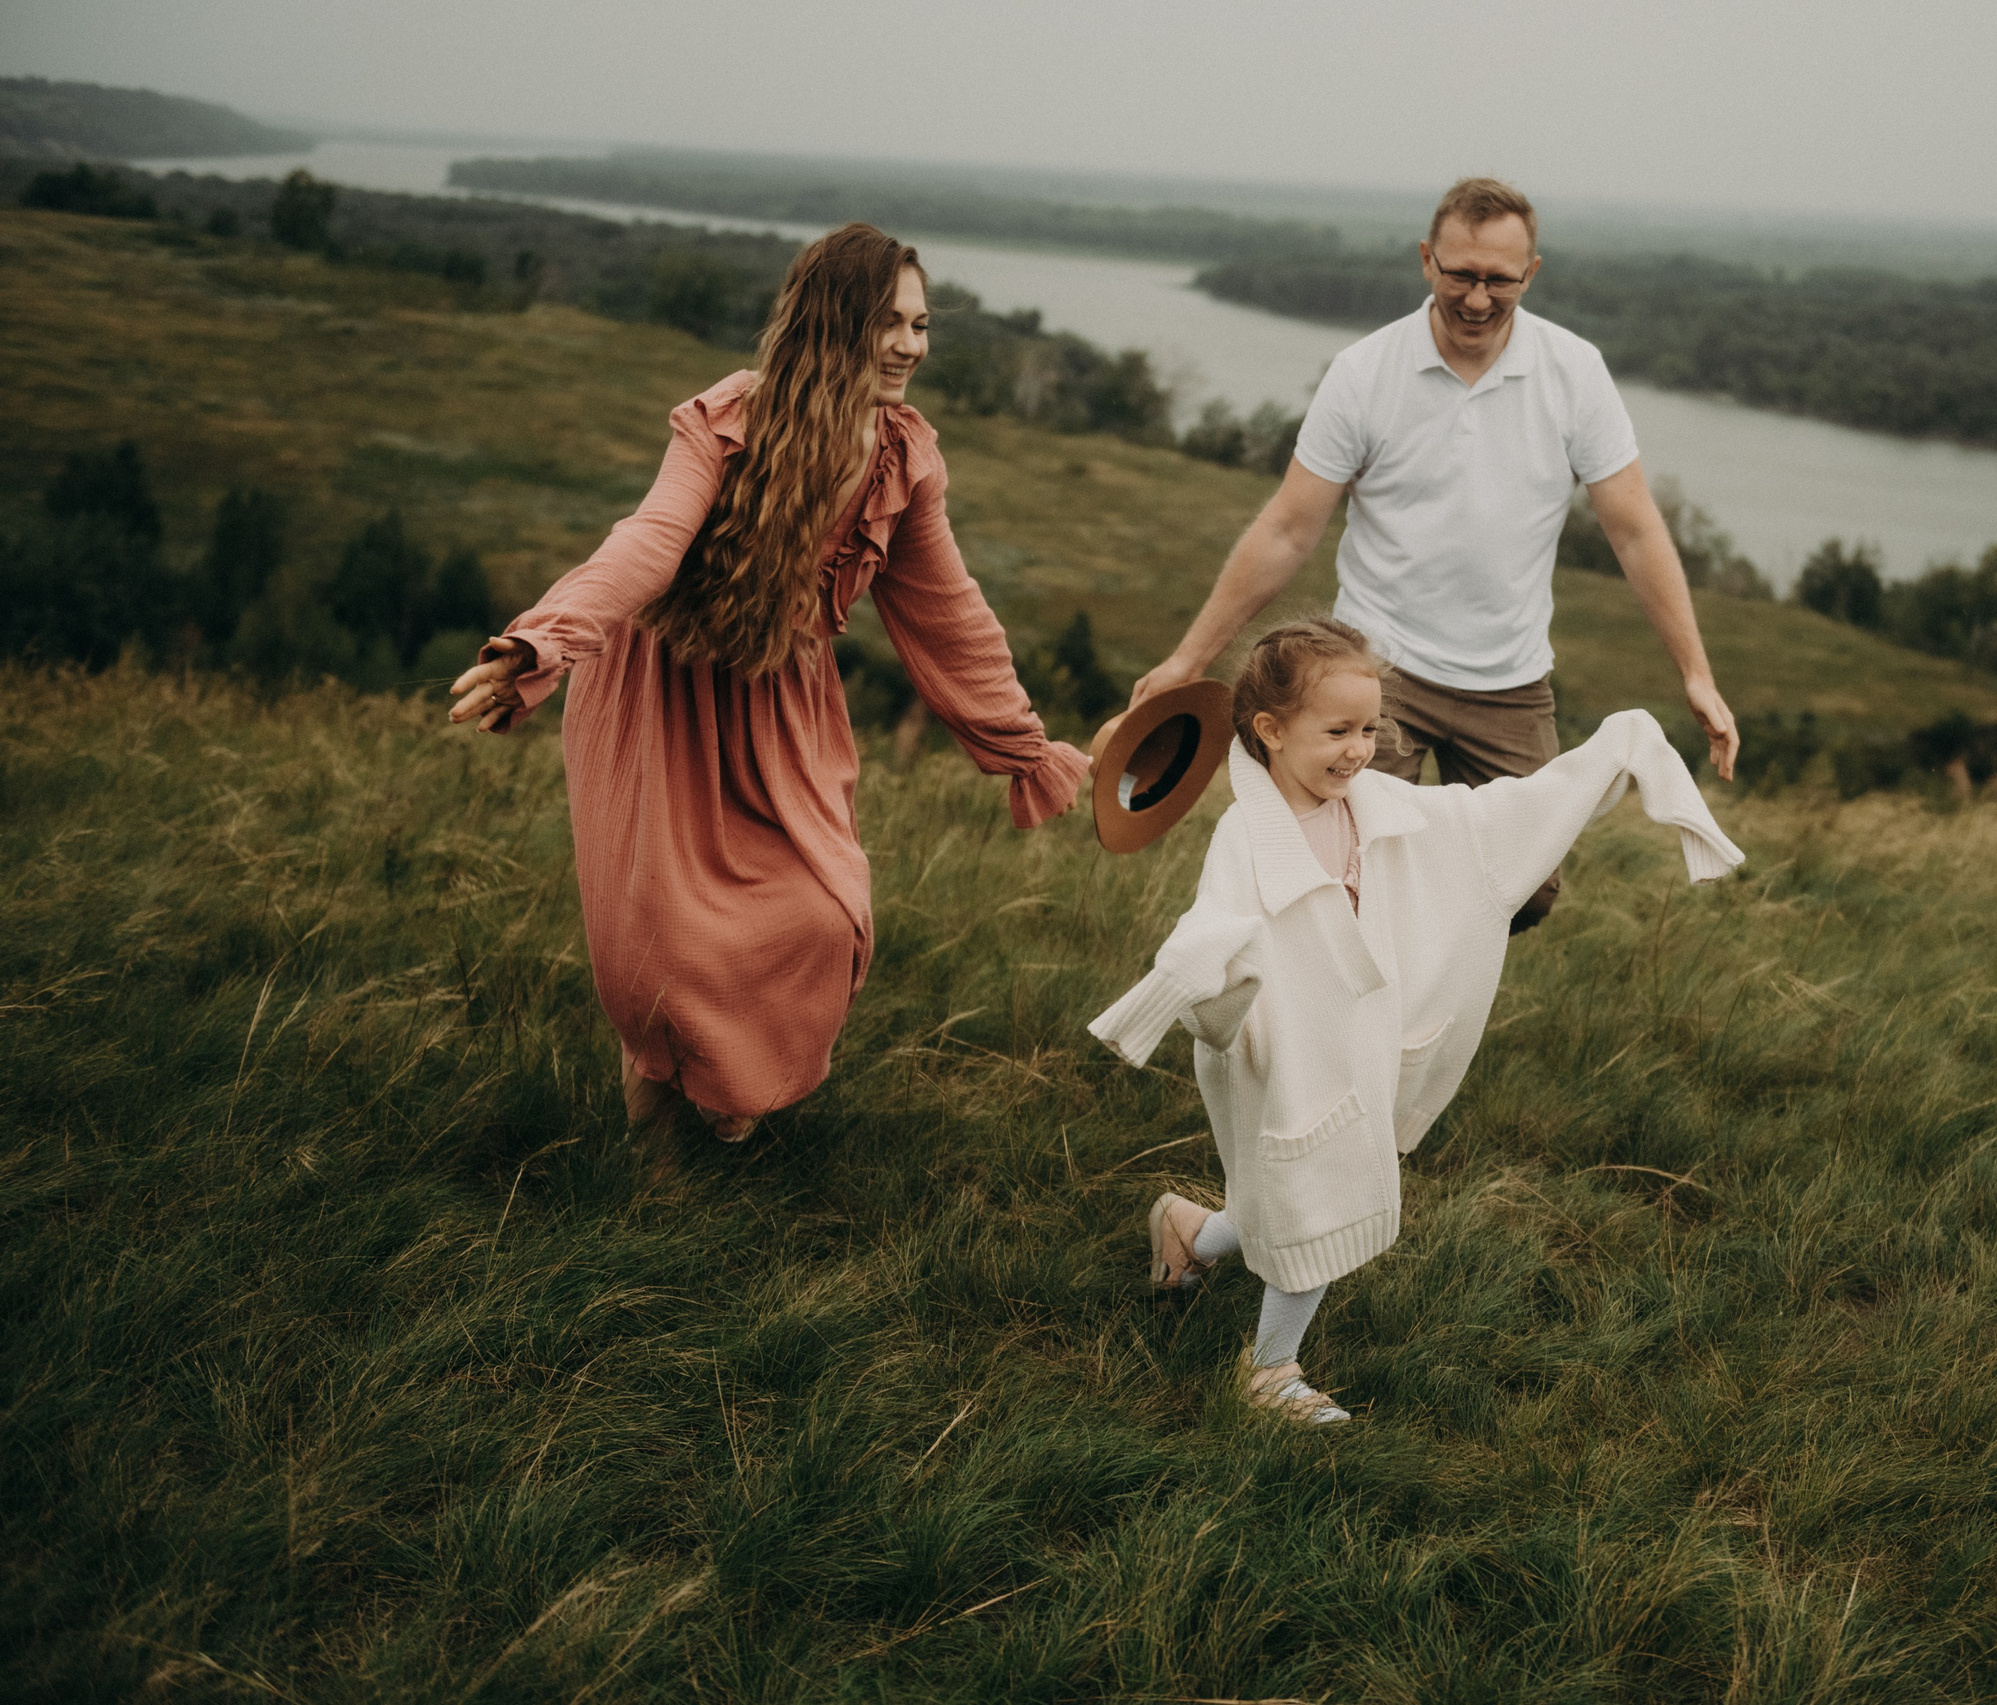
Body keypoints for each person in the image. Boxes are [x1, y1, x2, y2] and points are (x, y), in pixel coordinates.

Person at [447, 223, 1089, 1148]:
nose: (912, 343)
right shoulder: (728, 418)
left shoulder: (904, 457)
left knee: (827, 914)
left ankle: (733, 1081)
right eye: (890, 322)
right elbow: (648, 543)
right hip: (661, 690)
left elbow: (951, 615)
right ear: (836, 322)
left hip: (783, 704)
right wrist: (542, 643)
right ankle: (653, 1174)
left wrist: (1022, 749)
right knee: (671, 938)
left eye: (922, 322)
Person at [1089, 618, 1742, 1423]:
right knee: (1316, 1191)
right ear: (1271, 730)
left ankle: (1190, 1230)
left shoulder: (1378, 806)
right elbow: (1210, 933)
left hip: (1356, 1038)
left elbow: (1488, 822)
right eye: (1337, 731)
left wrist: (1617, 750)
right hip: (1278, 1045)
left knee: (1292, 1190)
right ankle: (1268, 1373)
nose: (1360, 748)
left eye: (1369, 728)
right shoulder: (1245, 836)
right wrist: (1178, 984)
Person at [1126, 177, 1741, 933]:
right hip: (1380, 674)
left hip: (1510, 680)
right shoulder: (1364, 373)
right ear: (1426, 260)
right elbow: (1288, 528)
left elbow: (1635, 530)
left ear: (1532, 274)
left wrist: (1697, 673)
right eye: (1460, 275)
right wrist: (1190, 659)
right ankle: (1374, 1025)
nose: (1477, 299)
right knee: (1350, 874)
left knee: (1527, 890)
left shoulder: (1575, 372)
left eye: (1499, 280)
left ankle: (1416, 975)